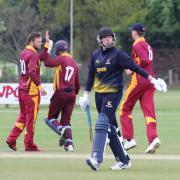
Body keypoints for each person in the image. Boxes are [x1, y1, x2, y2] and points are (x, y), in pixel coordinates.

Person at [79, 26, 167, 171]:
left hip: (113, 94)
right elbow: (90, 76)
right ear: (100, 40)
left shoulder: (118, 54)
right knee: (111, 127)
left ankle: (96, 159)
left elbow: (136, 67)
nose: (108, 39)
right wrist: (86, 95)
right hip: (99, 95)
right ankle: (123, 160)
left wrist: (152, 80)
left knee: (102, 122)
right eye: (105, 37)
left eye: (110, 37)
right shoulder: (95, 55)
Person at [120, 23, 165, 153]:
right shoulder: (147, 45)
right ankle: (153, 139)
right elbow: (147, 61)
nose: (131, 33)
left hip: (140, 80)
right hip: (150, 82)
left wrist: (131, 66)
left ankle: (129, 139)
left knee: (125, 107)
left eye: (132, 31)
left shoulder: (137, 44)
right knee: (149, 112)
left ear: (135, 32)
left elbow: (145, 60)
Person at [6, 31, 52, 151]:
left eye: (41, 41)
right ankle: (29, 145)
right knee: (31, 120)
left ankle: (11, 139)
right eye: (39, 41)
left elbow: (40, 58)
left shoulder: (25, 52)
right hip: (31, 92)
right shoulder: (33, 54)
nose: (40, 43)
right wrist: (40, 87)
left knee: (23, 117)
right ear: (32, 41)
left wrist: (47, 44)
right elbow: (32, 71)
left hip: (21, 90)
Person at [44, 38, 80, 152]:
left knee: (50, 118)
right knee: (66, 121)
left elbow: (47, 63)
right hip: (72, 94)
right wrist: (74, 94)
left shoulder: (61, 58)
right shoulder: (74, 62)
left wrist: (48, 49)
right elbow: (77, 83)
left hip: (61, 93)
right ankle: (69, 145)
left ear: (58, 50)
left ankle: (60, 130)